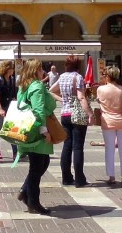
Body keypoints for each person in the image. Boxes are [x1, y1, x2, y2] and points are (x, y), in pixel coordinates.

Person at [14, 59, 55, 214]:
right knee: (37, 166)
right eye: (41, 69)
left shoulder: (23, 86)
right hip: (37, 131)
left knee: (42, 163)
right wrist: (44, 131)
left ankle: (26, 192)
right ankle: (33, 202)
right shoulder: (37, 85)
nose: (43, 71)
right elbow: (38, 110)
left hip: (27, 129)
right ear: (35, 70)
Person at [54, 55, 89, 188]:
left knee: (67, 146)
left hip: (65, 114)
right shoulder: (77, 77)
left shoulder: (62, 76)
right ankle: (80, 179)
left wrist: (62, 99)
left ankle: (66, 177)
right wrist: (90, 113)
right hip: (77, 114)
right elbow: (81, 97)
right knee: (78, 147)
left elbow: (51, 90)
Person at [98, 65, 122, 187]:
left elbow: (98, 101)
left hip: (108, 122)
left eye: (105, 75)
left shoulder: (101, 89)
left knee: (109, 150)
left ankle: (111, 177)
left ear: (109, 76)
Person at [0, 61, 17, 161]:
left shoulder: (12, 79)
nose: (13, 70)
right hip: (0, 108)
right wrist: (0, 109)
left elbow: (14, 94)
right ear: (6, 69)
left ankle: (15, 152)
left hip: (9, 107)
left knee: (11, 130)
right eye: (12, 68)